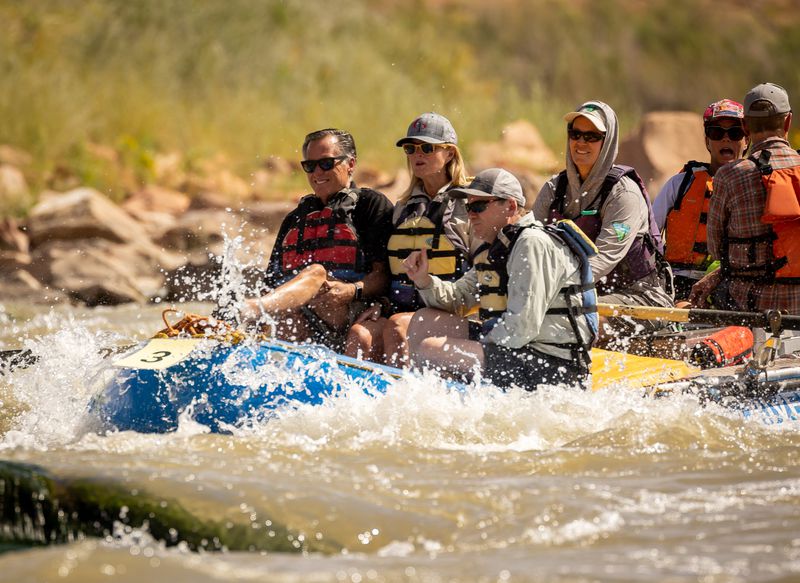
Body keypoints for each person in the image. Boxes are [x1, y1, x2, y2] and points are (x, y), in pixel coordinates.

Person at [404, 168, 598, 391]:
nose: (471, 215)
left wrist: (473, 346)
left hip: (554, 367)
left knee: (432, 349)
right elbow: (457, 300)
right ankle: (430, 397)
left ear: (511, 206)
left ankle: (435, 402)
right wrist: (424, 281)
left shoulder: (531, 243)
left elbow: (522, 326)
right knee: (423, 321)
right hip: (517, 349)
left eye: (479, 206)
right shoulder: (496, 247)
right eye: (468, 207)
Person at [532, 100, 673, 346]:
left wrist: (552, 289)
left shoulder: (623, 194)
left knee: (571, 321)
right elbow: (530, 242)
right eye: (575, 134)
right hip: (577, 293)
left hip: (642, 297)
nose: (581, 142)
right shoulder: (553, 189)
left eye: (592, 136)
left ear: (607, 142)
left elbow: (605, 257)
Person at [240, 128, 394, 349]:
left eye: (326, 163)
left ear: (350, 164)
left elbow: (384, 275)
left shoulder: (370, 205)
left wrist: (352, 290)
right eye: (310, 166)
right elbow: (271, 283)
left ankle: (250, 309)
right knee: (285, 323)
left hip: (349, 306)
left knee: (316, 273)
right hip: (301, 314)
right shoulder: (295, 219)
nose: (317, 173)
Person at [344, 113, 472, 365]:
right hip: (404, 310)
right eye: (410, 148)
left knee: (398, 327)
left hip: (456, 312)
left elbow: (483, 266)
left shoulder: (470, 205)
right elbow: (393, 271)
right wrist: (382, 302)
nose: (417, 155)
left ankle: (402, 398)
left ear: (450, 154)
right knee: (361, 333)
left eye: (427, 148)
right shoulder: (403, 208)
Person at [691, 83, 800, 314]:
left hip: (750, 303)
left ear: (745, 126)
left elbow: (716, 249)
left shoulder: (730, 175)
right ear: (788, 122)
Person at [653, 99, 748, 301]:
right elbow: (648, 235)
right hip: (673, 280)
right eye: (716, 132)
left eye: (735, 133)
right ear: (707, 140)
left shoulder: (754, 190)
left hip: (727, 284)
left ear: (746, 141)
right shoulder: (680, 184)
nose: (725, 139)